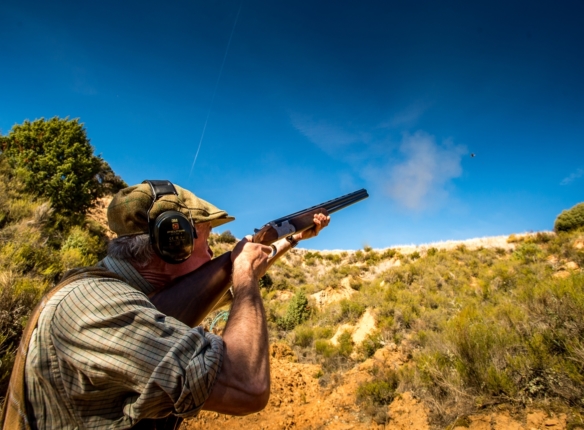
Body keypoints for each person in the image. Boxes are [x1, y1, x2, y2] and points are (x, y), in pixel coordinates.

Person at [21, 181, 330, 429]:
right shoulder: (94, 305)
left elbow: (222, 290)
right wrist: (243, 271)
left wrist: (290, 239)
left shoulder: (118, 290)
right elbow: (247, 385)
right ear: (173, 242)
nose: (211, 255)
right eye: (206, 242)